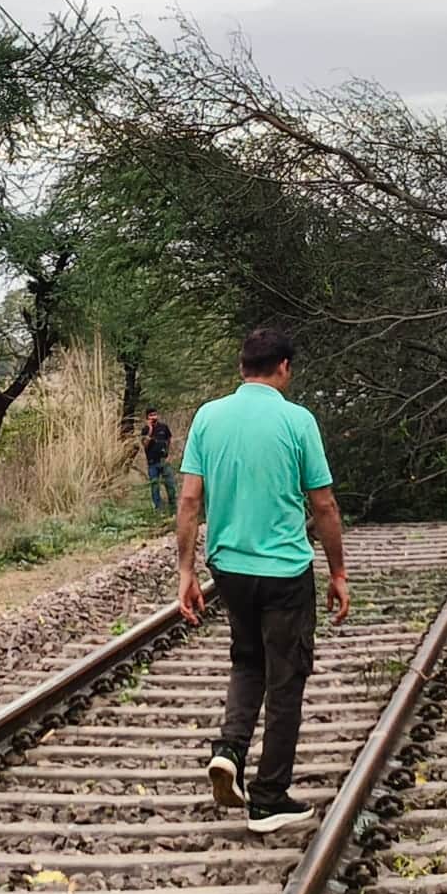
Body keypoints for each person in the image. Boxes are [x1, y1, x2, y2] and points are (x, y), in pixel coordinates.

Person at [178, 329, 350, 834]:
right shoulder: (297, 421)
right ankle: (269, 796)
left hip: (227, 568)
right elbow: (324, 505)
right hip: (284, 573)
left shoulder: (209, 417)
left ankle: (230, 750)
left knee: (247, 659)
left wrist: (186, 572)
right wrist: (338, 572)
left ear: (241, 367)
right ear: (284, 367)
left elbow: (189, 501)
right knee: (286, 678)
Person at [142, 408, 178, 514]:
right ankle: (158, 509)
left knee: (170, 484)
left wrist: (169, 453)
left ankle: (173, 507)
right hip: (152, 462)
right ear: (147, 417)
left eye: (155, 415)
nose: (154, 417)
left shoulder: (163, 427)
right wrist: (150, 430)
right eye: (151, 415)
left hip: (163, 460)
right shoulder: (145, 429)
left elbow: (169, 439)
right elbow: (144, 444)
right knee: (155, 485)